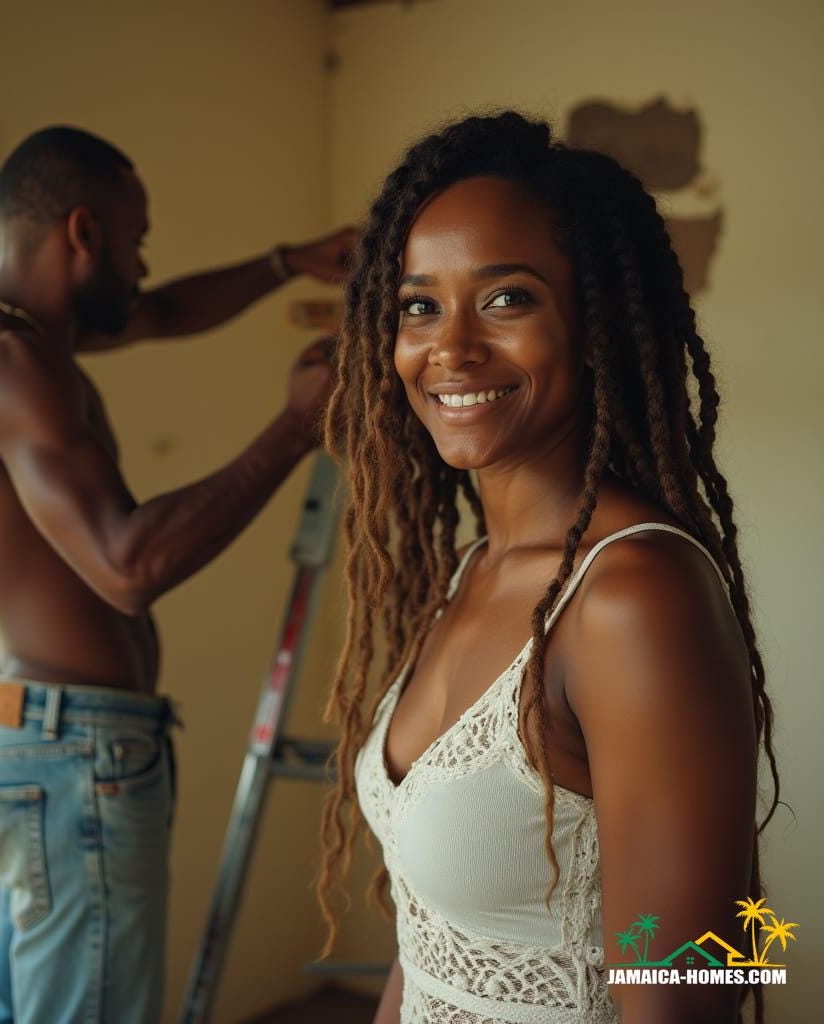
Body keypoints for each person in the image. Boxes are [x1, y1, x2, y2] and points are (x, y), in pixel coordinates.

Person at [316, 112, 779, 1024]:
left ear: (594, 323)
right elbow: (427, 945)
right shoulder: (468, 573)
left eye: (506, 299)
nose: (449, 348)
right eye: (419, 304)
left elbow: (702, 985)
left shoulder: (636, 596)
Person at [0, 125, 353, 1024]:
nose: (144, 263)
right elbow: (128, 567)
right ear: (84, 232)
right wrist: (292, 429)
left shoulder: (28, 340)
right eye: (136, 239)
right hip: (72, 749)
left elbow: (162, 312)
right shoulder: (5, 367)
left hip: (57, 739)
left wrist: (289, 261)